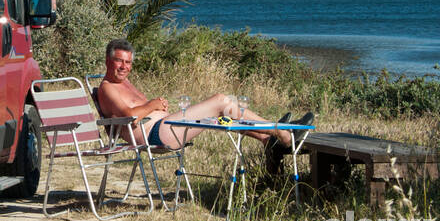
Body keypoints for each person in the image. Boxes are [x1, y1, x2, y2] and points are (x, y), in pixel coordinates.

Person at [95, 38, 298, 158]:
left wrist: (157, 108)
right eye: (119, 61)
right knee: (220, 101)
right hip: (156, 136)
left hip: (165, 127)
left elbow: (141, 109)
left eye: (128, 62)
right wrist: (152, 105)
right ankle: (282, 132)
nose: (124, 67)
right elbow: (130, 116)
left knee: (223, 117)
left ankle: (267, 141)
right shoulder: (107, 88)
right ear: (108, 60)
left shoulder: (124, 83)